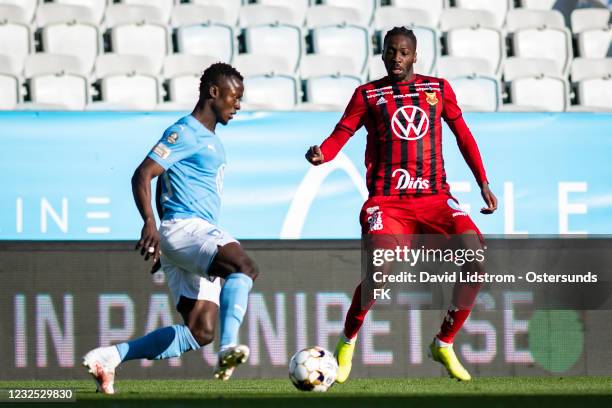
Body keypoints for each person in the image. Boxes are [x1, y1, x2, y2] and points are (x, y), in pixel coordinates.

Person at [305, 27, 497, 383]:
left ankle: (444, 342)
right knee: (379, 273)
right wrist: (323, 153)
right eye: (391, 51)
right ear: (382, 55)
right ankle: (347, 342)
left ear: (415, 56)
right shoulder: (368, 94)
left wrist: (482, 181)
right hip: (387, 203)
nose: (397, 58)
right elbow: (342, 131)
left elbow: (463, 135)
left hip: (435, 199)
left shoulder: (437, 89)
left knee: (477, 259)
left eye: (404, 52)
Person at [83, 63, 258, 394]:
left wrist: (167, 239)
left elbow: (166, 179)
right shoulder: (185, 132)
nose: (238, 105)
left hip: (183, 236)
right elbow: (143, 173)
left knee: (199, 330)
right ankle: (229, 347)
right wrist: (152, 223)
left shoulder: (209, 139)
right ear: (214, 92)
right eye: (235, 97)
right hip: (186, 228)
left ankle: (110, 357)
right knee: (244, 267)